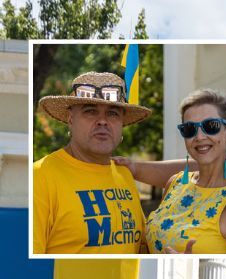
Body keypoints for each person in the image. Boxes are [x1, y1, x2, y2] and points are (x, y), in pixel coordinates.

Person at [33, 72, 151, 254]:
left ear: (122, 125)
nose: (102, 121)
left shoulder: (124, 174)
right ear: (70, 119)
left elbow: (140, 250)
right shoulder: (40, 177)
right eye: (90, 111)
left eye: (112, 113)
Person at [134, 89, 226, 254]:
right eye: (189, 129)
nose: (199, 136)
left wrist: (188, 268)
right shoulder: (174, 183)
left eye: (211, 126)